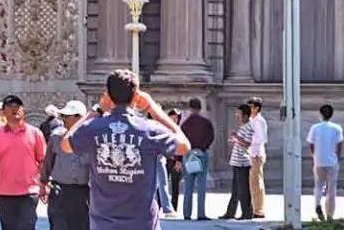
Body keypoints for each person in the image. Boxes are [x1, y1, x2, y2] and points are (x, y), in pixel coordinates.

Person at [63, 70, 190, 230]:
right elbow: (184, 146)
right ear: (136, 96)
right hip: (142, 224)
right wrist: (153, 109)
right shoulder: (149, 130)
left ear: (108, 96)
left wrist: (96, 111)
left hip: (104, 224)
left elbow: (65, 144)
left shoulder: (94, 128)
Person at [0, 95, 46, 230]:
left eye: (18, 106)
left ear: (23, 110)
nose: (14, 109)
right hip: (5, 192)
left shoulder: (35, 133)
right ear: (3, 112)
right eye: (10, 107)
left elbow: (42, 161)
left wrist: (44, 184)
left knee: (26, 227)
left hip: (29, 192)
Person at [40, 101, 89, 230]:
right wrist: (43, 183)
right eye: (63, 116)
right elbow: (48, 161)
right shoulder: (56, 137)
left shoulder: (90, 138)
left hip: (83, 193)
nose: (64, 119)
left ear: (80, 117)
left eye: (68, 116)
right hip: (60, 191)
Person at [306, 105, 344, 222]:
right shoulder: (337, 128)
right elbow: (339, 145)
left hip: (319, 160)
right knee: (331, 188)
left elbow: (311, 144)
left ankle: (317, 204)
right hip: (332, 161)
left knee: (318, 185)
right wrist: (337, 158)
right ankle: (330, 214)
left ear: (320, 114)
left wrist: (314, 155)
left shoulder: (315, 128)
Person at [178, 97, 214, 221]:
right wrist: (204, 147)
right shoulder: (206, 123)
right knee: (201, 185)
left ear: (190, 108)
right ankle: (201, 213)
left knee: (188, 185)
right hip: (202, 153)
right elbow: (211, 137)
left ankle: (186, 213)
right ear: (200, 108)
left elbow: (180, 140)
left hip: (188, 155)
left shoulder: (185, 124)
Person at [221, 104, 254, 220]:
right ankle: (230, 212)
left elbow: (247, 143)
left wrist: (236, 137)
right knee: (235, 190)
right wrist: (235, 141)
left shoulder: (249, 127)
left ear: (245, 115)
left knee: (243, 189)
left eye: (239, 114)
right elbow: (241, 142)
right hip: (236, 161)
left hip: (242, 162)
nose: (237, 116)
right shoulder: (243, 126)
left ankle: (247, 213)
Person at [245, 98, 266, 219]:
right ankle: (255, 208)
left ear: (256, 108)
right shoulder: (251, 120)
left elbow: (261, 138)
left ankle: (259, 210)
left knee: (256, 183)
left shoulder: (259, 121)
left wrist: (247, 141)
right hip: (250, 154)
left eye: (250, 106)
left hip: (256, 154)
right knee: (252, 183)